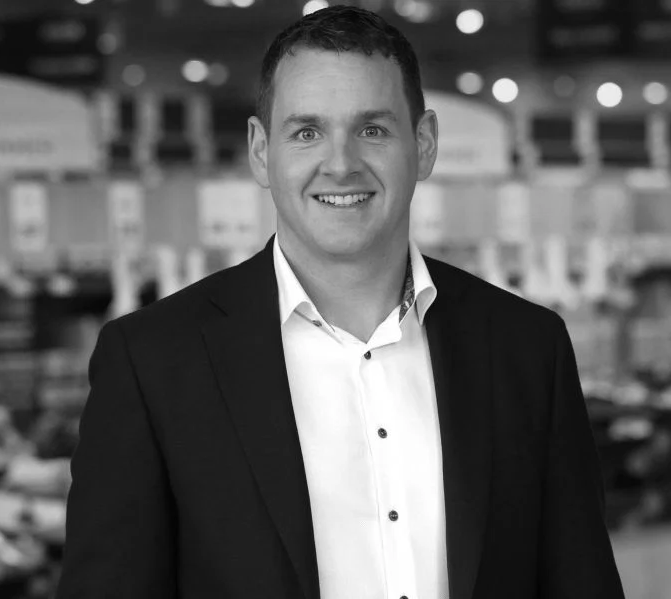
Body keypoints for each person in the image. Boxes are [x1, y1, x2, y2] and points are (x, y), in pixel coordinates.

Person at [57, 6, 624, 599]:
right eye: (306, 132)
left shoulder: (526, 348)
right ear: (260, 151)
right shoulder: (153, 362)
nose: (341, 164)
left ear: (424, 144)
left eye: (372, 130)